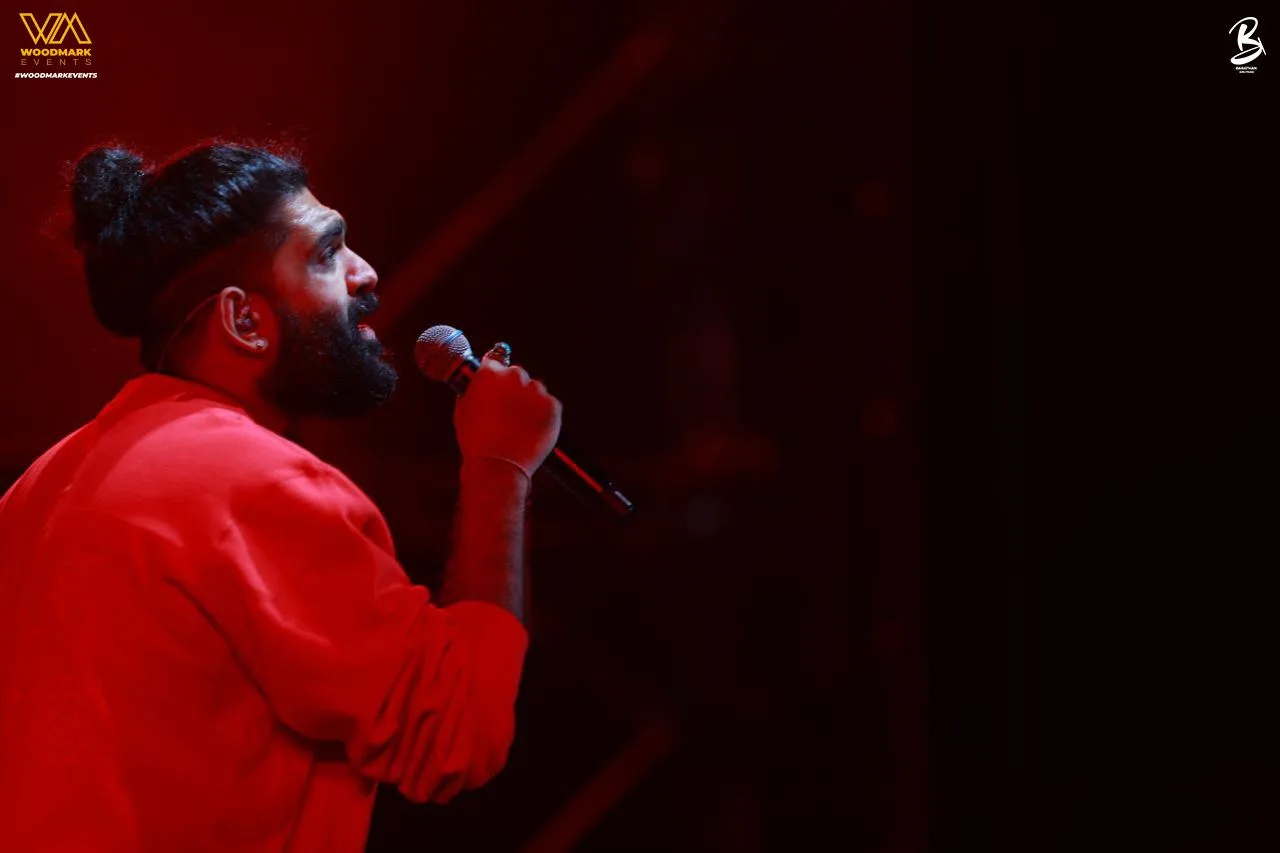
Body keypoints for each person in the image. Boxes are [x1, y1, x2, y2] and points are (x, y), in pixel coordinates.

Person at [0, 141, 562, 851]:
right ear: (243, 320)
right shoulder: (245, 481)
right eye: (326, 253)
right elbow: (457, 728)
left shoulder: (34, 492)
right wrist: (499, 465)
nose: (365, 272)